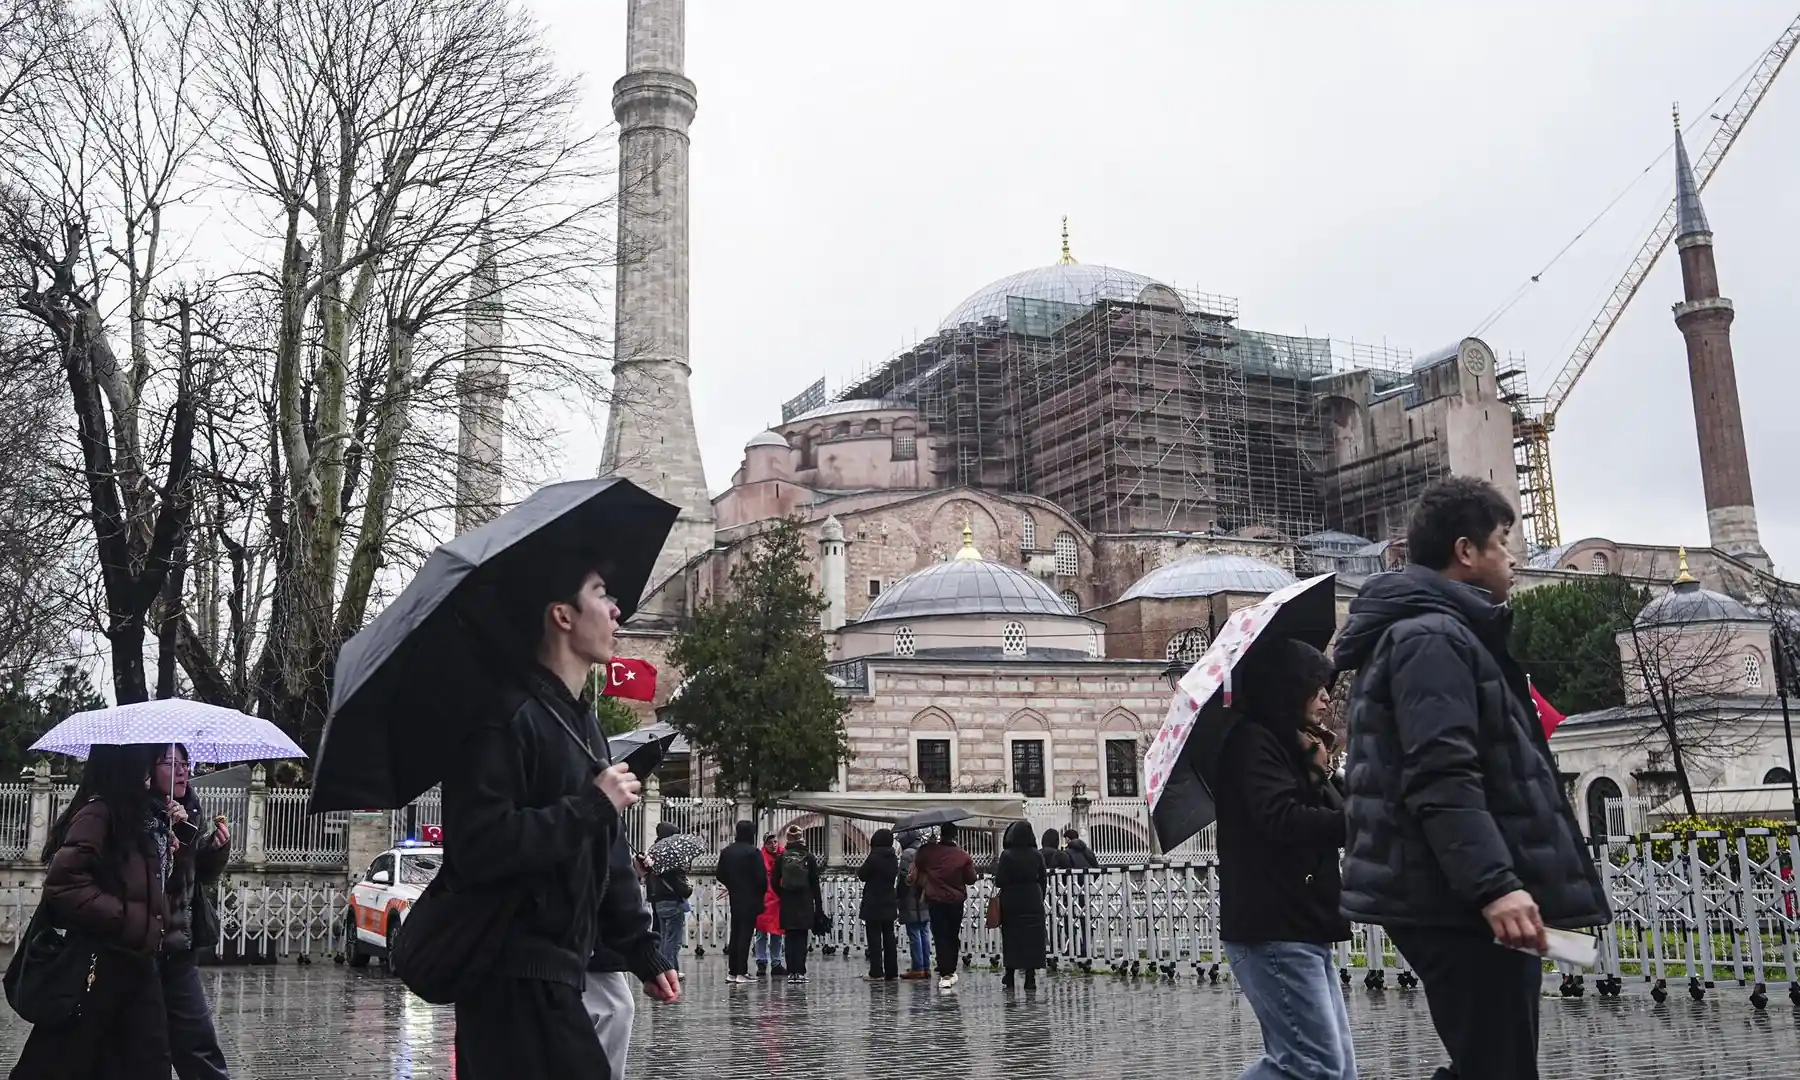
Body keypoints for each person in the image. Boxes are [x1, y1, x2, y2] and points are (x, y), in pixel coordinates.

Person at [1334, 477, 1609, 1080]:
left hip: (1454, 893)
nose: (1513, 557)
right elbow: (1442, 774)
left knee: (1492, 1064)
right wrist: (1493, 886)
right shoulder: (1430, 637)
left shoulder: (1444, 633)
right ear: (1465, 551)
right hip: (1454, 899)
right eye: (1502, 541)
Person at [440, 558, 652, 1080]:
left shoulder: (584, 725)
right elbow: (479, 846)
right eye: (602, 594)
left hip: (561, 975)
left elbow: (609, 851)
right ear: (562, 615)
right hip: (507, 980)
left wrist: (641, 947)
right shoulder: (503, 718)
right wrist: (591, 805)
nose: (617, 610)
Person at [1213, 639, 1355, 1080]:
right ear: (1288, 689)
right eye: (1316, 686)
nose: (1327, 697)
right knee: (1315, 1066)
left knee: (1338, 1069)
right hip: (1273, 927)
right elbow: (1282, 819)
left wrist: (1322, 770)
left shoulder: (1296, 747)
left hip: (1303, 923)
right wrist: (1355, 822)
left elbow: (1337, 809)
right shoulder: (1253, 743)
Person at [10, 743, 174, 1079]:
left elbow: (149, 886)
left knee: (149, 1061)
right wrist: (126, 919)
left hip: (138, 963)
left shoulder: (143, 816)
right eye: (144, 760)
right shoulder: (98, 813)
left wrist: (174, 846)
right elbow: (64, 884)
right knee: (64, 1060)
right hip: (100, 965)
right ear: (125, 765)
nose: (149, 769)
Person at [153, 744, 234, 1080]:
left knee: (199, 1045)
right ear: (148, 769)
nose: (183, 770)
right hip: (139, 951)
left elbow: (192, 878)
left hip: (178, 948)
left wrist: (213, 849)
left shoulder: (190, 810)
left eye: (186, 763)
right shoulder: (128, 812)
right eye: (172, 763)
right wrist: (161, 832)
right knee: (148, 1049)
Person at [909, 821, 976, 989]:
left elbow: (919, 861)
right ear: (956, 836)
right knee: (952, 934)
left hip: (935, 900)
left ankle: (944, 968)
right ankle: (950, 969)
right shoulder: (962, 856)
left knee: (940, 934)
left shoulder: (928, 852)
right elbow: (971, 879)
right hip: (955, 901)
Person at [994, 821, 1048, 991]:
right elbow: (1043, 878)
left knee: (1012, 936)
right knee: (1033, 938)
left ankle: (1010, 974)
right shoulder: (1037, 855)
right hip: (1033, 898)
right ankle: (1030, 977)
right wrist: (1039, 896)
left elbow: (999, 880)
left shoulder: (1007, 855)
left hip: (1012, 900)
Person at [716, 820, 767, 984]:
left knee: (736, 933)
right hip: (751, 897)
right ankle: (741, 972)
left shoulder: (727, 851)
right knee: (745, 935)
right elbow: (761, 879)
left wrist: (732, 885)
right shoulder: (753, 852)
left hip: (735, 897)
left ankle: (732, 971)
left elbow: (719, 874)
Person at [640, 823, 693, 975]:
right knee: (672, 939)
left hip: (658, 900)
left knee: (664, 936)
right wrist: (687, 889)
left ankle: (664, 967)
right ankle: (669, 969)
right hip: (671, 900)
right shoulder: (669, 855)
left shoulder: (654, 852)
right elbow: (677, 881)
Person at [773, 825, 823, 984]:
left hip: (788, 901)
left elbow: (774, 881)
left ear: (787, 838)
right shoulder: (809, 857)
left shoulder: (782, 857)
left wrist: (783, 893)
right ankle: (800, 972)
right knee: (801, 938)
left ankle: (791, 972)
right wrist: (818, 906)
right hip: (805, 901)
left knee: (789, 937)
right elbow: (815, 883)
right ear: (802, 837)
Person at [857, 828, 900, 981]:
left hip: (874, 901)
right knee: (889, 936)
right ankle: (892, 971)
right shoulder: (893, 857)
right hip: (889, 899)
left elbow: (862, 875)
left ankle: (876, 971)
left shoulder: (874, 857)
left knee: (874, 937)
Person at [896, 830, 931, 980]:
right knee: (924, 931)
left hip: (911, 897)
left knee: (914, 932)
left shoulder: (907, 854)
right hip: (924, 895)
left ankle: (917, 967)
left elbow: (903, 878)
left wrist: (899, 896)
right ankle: (926, 966)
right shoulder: (925, 851)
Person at [753, 833, 786, 976]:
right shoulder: (759, 858)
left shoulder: (784, 856)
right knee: (761, 932)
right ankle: (761, 961)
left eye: (775, 842)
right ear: (764, 845)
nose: (773, 845)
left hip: (778, 899)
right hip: (764, 898)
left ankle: (776, 962)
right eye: (770, 843)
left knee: (777, 932)